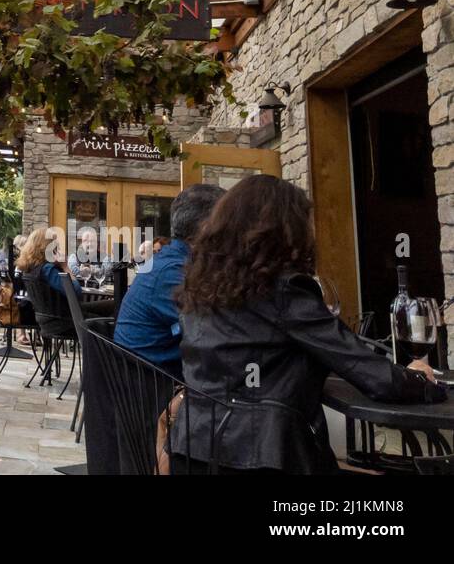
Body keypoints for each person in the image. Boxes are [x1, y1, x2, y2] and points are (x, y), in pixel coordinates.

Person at [174, 175, 445, 473]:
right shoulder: (282, 290)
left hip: (192, 450)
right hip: (263, 458)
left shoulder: (200, 288)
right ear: (286, 230)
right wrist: (422, 382)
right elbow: (369, 372)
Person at [113, 184, 224, 376]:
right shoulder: (171, 273)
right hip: (155, 391)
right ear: (207, 227)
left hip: (149, 379)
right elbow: (218, 334)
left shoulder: (171, 263)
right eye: (230, 221)